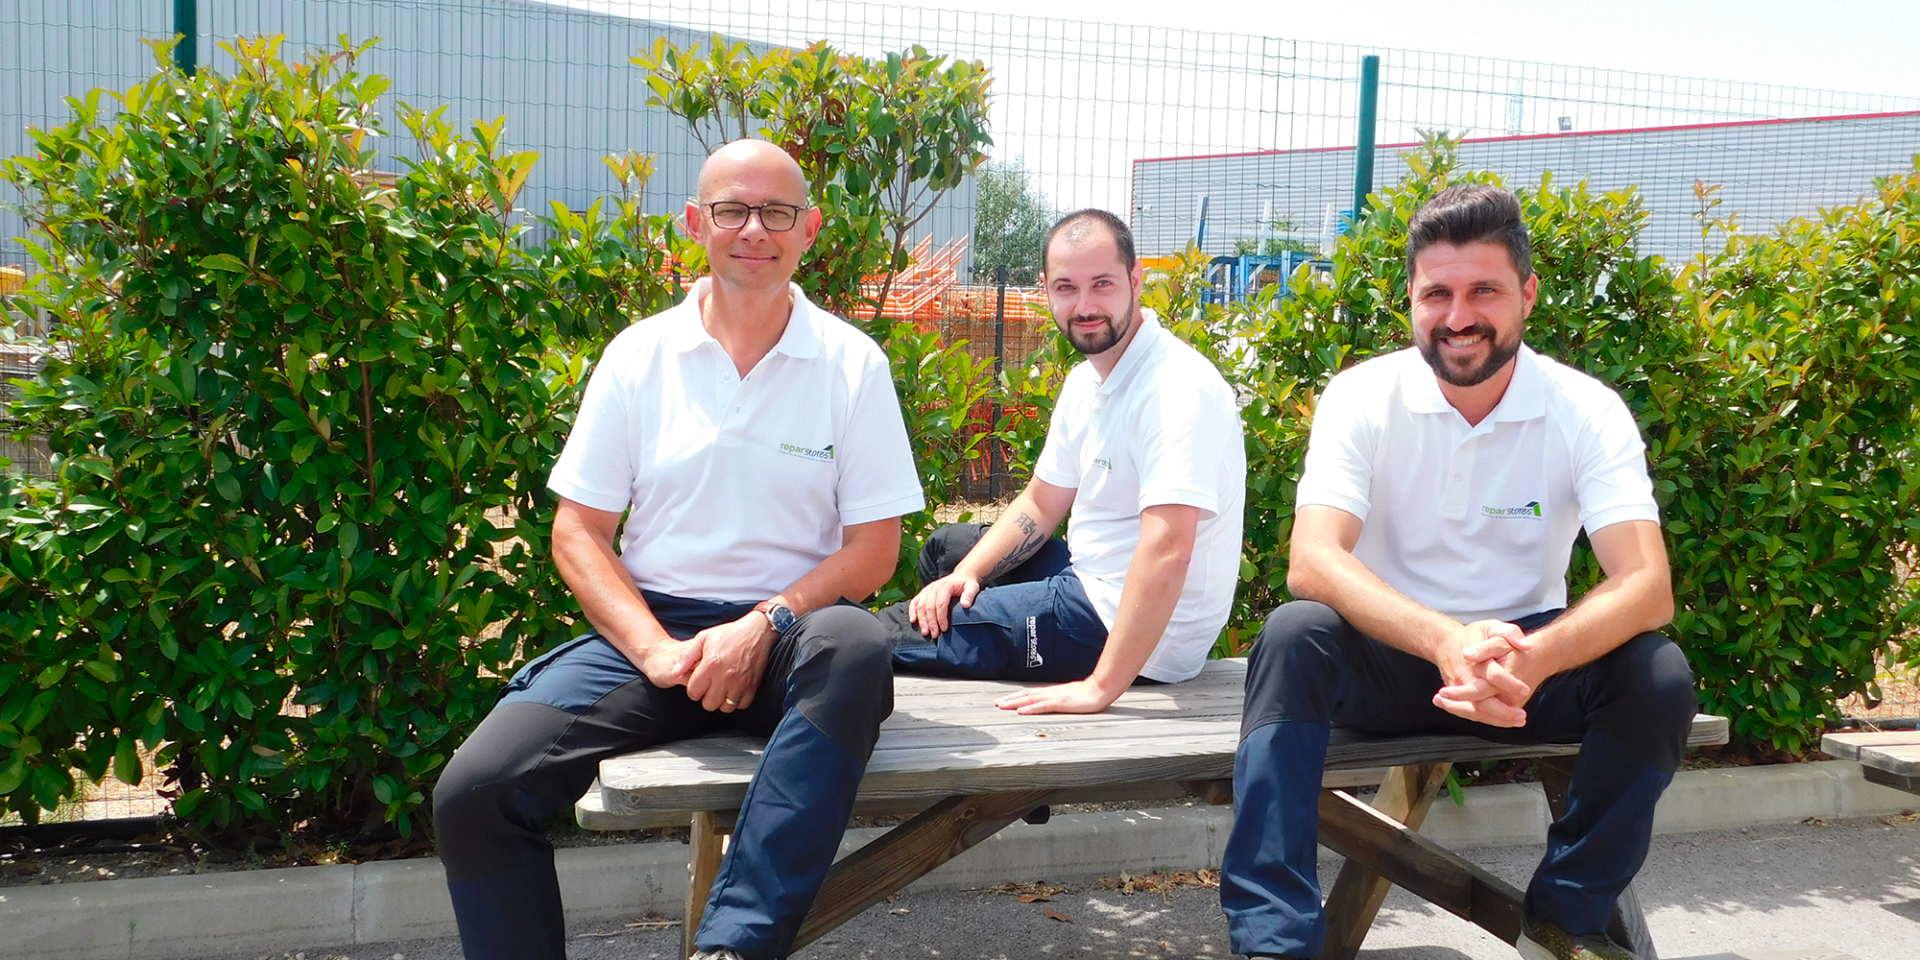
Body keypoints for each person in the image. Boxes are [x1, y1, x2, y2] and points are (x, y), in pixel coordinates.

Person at [432, 139, 924, 960]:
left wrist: (764, 623)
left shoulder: (851, 364)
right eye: (732, 210)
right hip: (654, 634)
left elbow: (874, 550)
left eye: (777, 212)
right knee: (474, 793)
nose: (754, 230)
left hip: (792, 641)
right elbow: (578, 532)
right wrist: (657, 651)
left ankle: (733, 946)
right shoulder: (640, 356)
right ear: (696, 223)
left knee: (858, 644)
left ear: (809, 230)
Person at [1220, 184, 1696, 960]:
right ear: (1410, 299)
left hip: (1524, 670)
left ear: (1528, 295)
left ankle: (1563, 920)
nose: (1459, 315)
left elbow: (1647, 585)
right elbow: (1313, 559)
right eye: (1437, 294)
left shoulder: (1585, 409)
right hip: (1394, 655)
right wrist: (1444, 640)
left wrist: (1532, 658)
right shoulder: (1362, 395)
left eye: (1484, 291)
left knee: (1659, 676)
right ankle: (1275, 943)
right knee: (1294, 634)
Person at [881, 209, 1245, 714]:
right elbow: (1042, 502)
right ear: (1046, 289)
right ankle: (966, 670)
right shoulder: (1087, 381)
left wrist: (1099, 687)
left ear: (1136, 279)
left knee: (888, 635)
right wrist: (968, 573)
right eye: (1067, 287)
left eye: (1102, 284)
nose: (1085, 305)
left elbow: (1169, 551)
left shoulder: (1177, 391)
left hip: (1141, 630)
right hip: (1091, 576)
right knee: (948, 556)